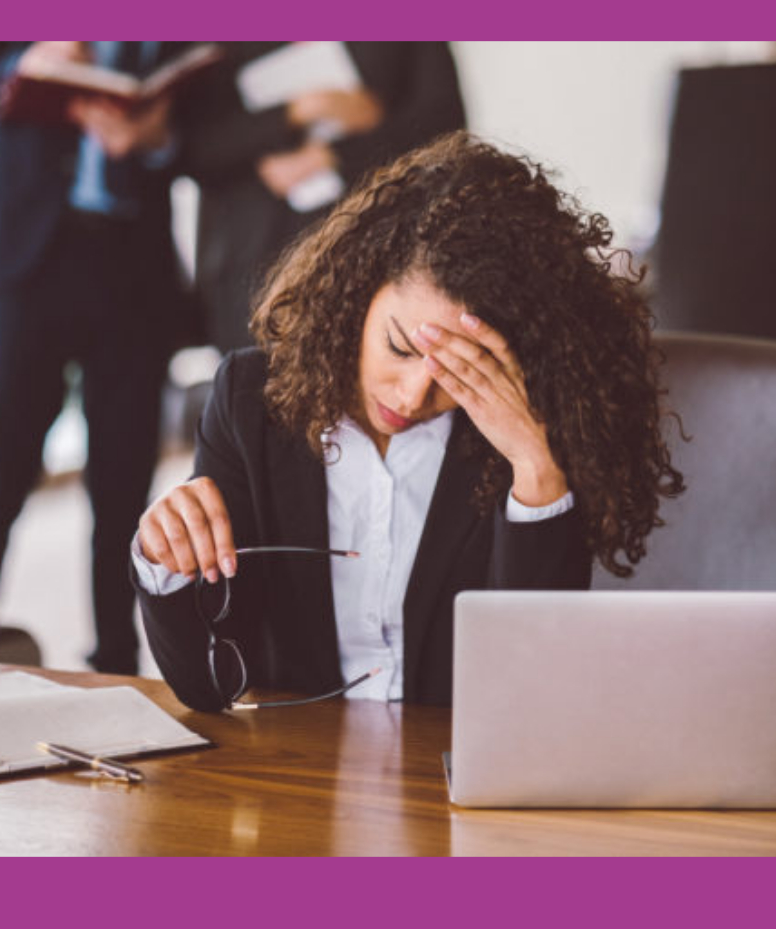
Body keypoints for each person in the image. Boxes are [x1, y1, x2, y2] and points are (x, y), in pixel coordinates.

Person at [132, 132, 684, 712]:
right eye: (399, 346)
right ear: (357, 292)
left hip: (451, 776)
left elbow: (530, 693)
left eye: (457, 369)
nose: (415, 393)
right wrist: (165, 561)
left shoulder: (519, 432)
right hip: (297, 771)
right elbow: (209, 686)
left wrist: (535, 468)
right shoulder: (251, 400)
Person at [0, 42, 200, 675]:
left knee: (125, 480)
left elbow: (199, 133)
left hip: (133, 269)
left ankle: (118, 660)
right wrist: (17, 71)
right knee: (6, 466)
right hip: (30, 263)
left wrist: (154, 137)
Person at [171, 42, 465, 353]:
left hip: (383, 248)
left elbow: (445, 126)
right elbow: (194, 149)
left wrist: (335, 155)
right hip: (258, 266)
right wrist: (296, 112)